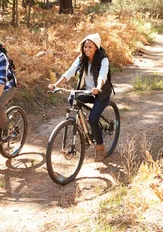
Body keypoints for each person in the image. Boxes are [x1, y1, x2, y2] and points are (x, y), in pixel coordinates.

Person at [48, 33, 114, 162]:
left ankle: (100, 148)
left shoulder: (103, 59)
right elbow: (70, 72)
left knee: (93, 118)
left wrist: (98, 87)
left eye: (90, 47)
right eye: (85, 46)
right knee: (72, 99)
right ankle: (84, 127)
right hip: (86, 91)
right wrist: (55, 85)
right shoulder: (81, 58)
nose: (87, 49)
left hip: (100, 93)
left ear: (96, 47)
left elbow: (102, 75)